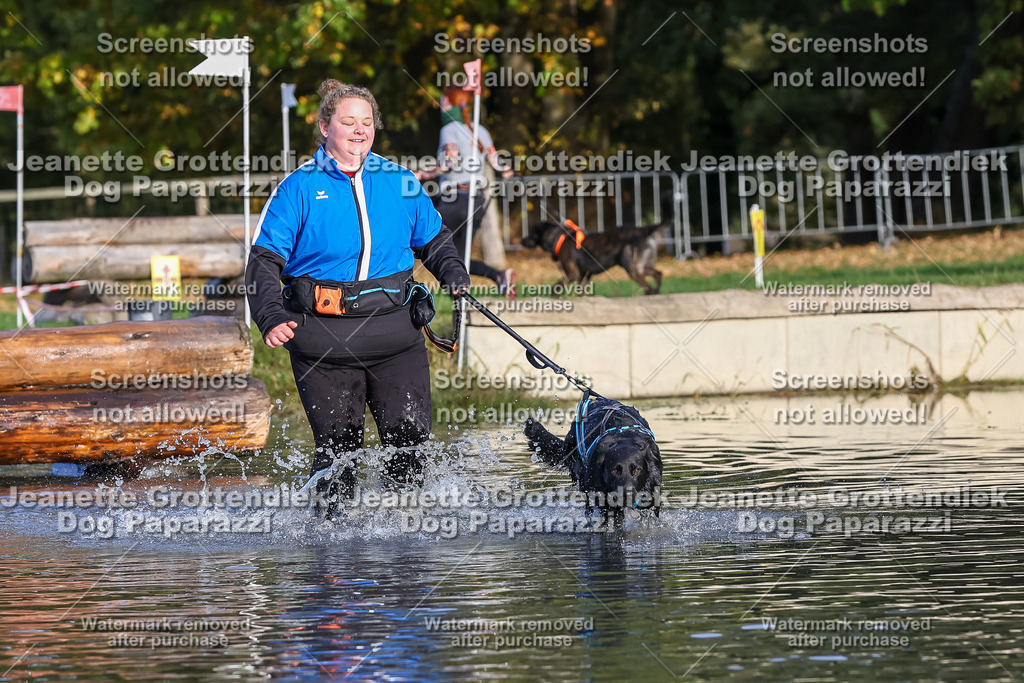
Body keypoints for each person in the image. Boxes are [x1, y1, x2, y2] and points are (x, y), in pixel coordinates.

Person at [245, 79, 470, 519]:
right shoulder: (298, 188)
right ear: (325, 126)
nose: (358, 130)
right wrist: (270, 314)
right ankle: (332, 562)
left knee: (410, 451)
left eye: (366, 122)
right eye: (348, 121)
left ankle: (405, 553)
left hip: (396, 339)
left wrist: (455, 275)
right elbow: (263, 262)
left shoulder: (399, 182)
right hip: (324, 343)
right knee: (338, 456)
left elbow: (435, 241)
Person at [418, 85, 517, 299]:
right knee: (458, 258)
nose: (441, 105)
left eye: (444, 101)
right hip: (476, 201)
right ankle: (498, 276)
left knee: (426, 245)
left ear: (451, 104)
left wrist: (421, 174)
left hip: (454, 199)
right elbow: (496, 160)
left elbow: (449, 162)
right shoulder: (480, 130)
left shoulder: (449, 130)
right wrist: (507, 170)